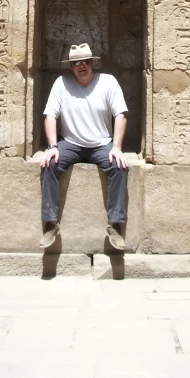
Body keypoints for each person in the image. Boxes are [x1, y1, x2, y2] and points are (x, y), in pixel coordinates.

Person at [40, 42, 129, 250]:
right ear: (71, 66)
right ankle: (50, 224)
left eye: (86, 61)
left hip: (101, 144)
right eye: (76, 62)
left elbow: (121, 115)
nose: (81, 66)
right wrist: (53, 146)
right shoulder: (61, 83)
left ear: (93, 63)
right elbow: (50, 115)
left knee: (119, 166)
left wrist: (116, 147)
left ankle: (115, 226)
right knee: (49, 164)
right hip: (70, 143)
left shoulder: (108, 82)